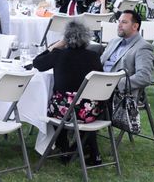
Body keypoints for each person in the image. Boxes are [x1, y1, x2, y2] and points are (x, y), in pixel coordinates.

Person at [33, 21, 104, 165]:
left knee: (57, 103)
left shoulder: (59, 55)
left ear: (66, 38)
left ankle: (64, 147)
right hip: (91, 111)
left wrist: (53, 47)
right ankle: (92, 150)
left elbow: (37, 63)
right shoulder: (94, 56)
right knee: (79, 102)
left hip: (65, 112)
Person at [101, 10, 154, 99]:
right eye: (119, 22)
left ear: (135, 26)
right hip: (98, 83)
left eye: (124, 22)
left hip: (116, 92)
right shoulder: (114, 41)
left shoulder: (143, 47)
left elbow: (144, 76)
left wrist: (117, 84)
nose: (119, 25)